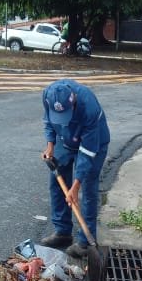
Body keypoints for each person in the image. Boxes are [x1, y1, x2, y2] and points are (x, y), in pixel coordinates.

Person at [40, 79, 110, 259]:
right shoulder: (48, 96)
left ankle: (86, 242)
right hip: (65, 140)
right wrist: (50, 144)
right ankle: (62, 232)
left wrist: (75, 186)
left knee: (87, 187)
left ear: (74, 101)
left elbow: (87, 152)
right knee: (58, 180)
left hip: (93, 143)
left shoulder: (89, 107)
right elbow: (48, 120)